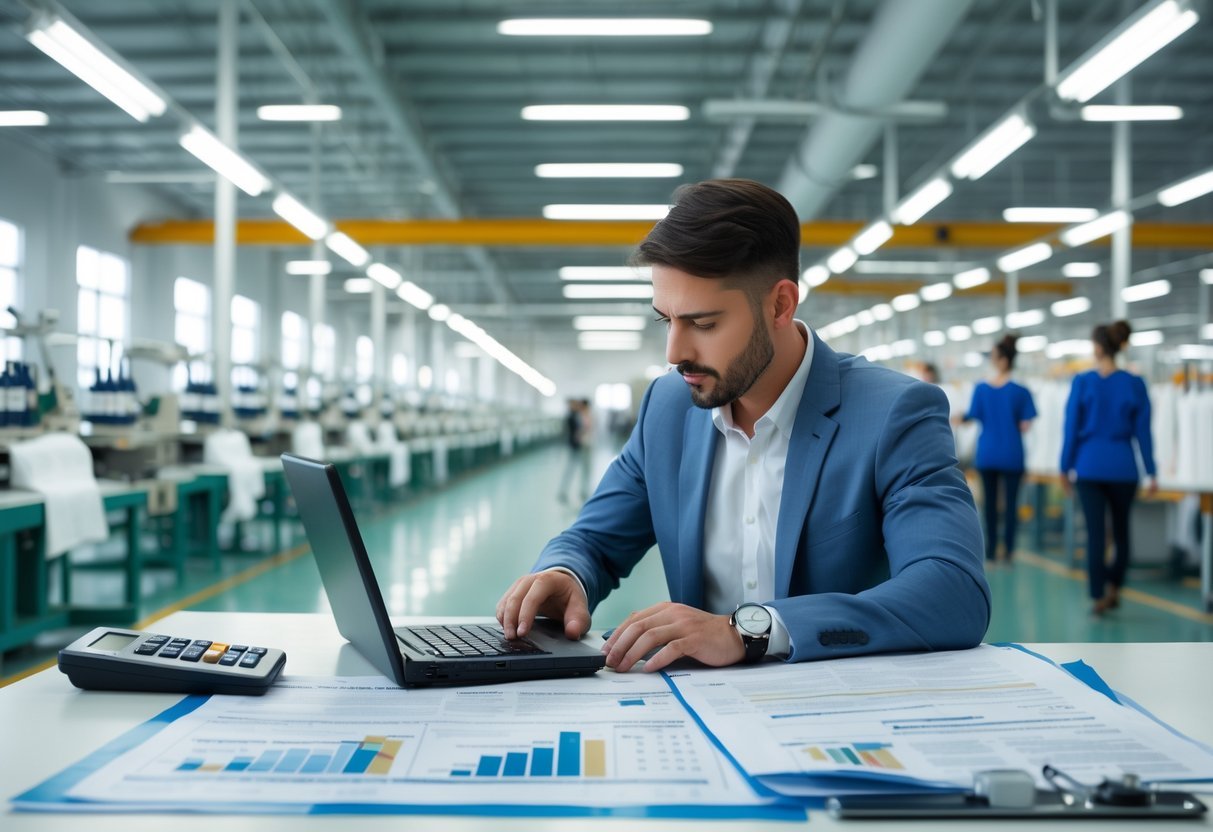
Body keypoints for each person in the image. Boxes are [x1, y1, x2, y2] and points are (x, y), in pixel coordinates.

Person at [497, 178, 990, 673]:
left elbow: (952, 590)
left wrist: (750, 630)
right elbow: (595, 540)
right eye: (664, 320)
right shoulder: (668, 409)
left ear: (780, 305)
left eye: (704, 324)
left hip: (840, 709)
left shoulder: (893, 413)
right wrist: (566, 574)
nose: (674, 353)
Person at [1060, 320, 1157, 616]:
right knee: (1122, 532)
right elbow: (1144, 432)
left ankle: (1097, 594)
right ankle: (1115, 587)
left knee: (1095, 533)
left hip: (1088, 466)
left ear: (1099, 347)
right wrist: (1151, 471)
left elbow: (1071, 428)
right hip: (1123, 467)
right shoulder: (1135, 384)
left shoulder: (1083, 382)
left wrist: (1065, 467)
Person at [954, 334, 1037, 565]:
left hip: (988, 454)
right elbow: (1026, 425)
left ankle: (990, 552)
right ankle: (1008, 553)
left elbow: (971, 416)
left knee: (989, 506)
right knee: (1011, 507)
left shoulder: (982, 389)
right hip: (1012, 454)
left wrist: (958, 418)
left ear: (1001, 360)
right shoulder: (1021, 391)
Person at [557, 398, 592, 503]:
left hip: (582, 446)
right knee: (571, 469)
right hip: (576, 447)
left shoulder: (579, 415)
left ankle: (583, 491)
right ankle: (563, 491)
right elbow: (575, 432)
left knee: (584, 470)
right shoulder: (572, 416)